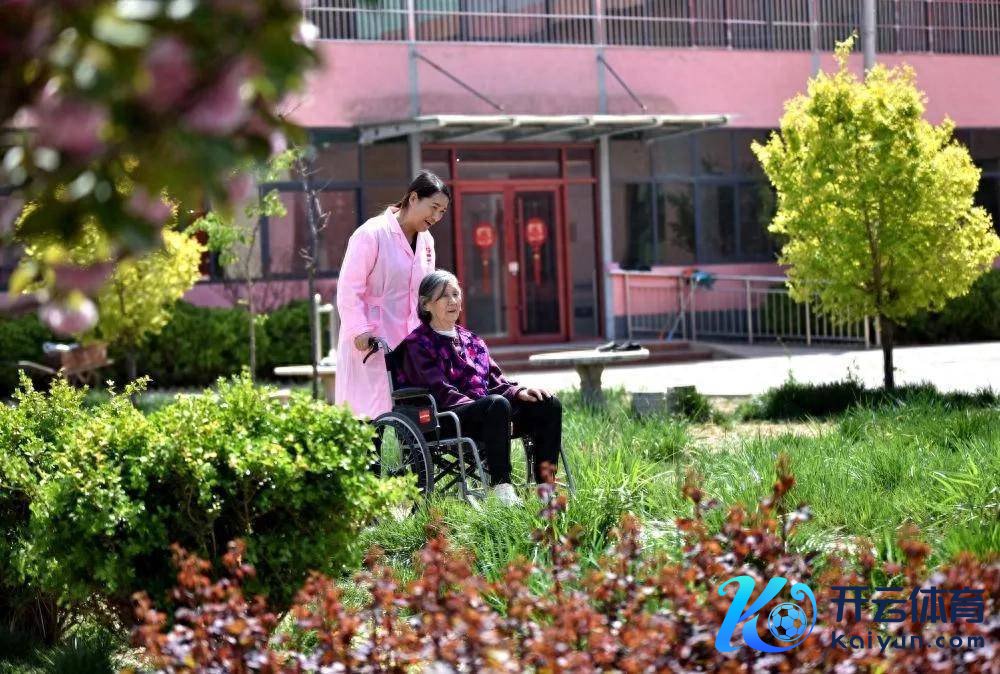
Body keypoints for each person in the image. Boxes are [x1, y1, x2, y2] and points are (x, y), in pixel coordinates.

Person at [395, 270, 562, 506]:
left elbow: (495, 380)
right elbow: (439, 390)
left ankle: (546, 487)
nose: (453, 301)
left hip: (490, 412)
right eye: (444, 296)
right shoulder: (417, 344)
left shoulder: (472, 341)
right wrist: (487, 410)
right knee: (496, 405)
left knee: (547, 403)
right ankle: (502, 488)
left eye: (456, 294)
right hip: (446, 417)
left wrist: (519, 393)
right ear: (426, 304)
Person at [335, 171, 450, 419]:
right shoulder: (371, 233)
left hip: (410, 341)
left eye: (442, 212)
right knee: (368, 417)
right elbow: (348, 288)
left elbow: (426, 292)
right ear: (413, 198)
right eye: (434, 208)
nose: (437, 217)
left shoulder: (427, 242)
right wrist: (359, 330)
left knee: (413, 416)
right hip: (372, 340)